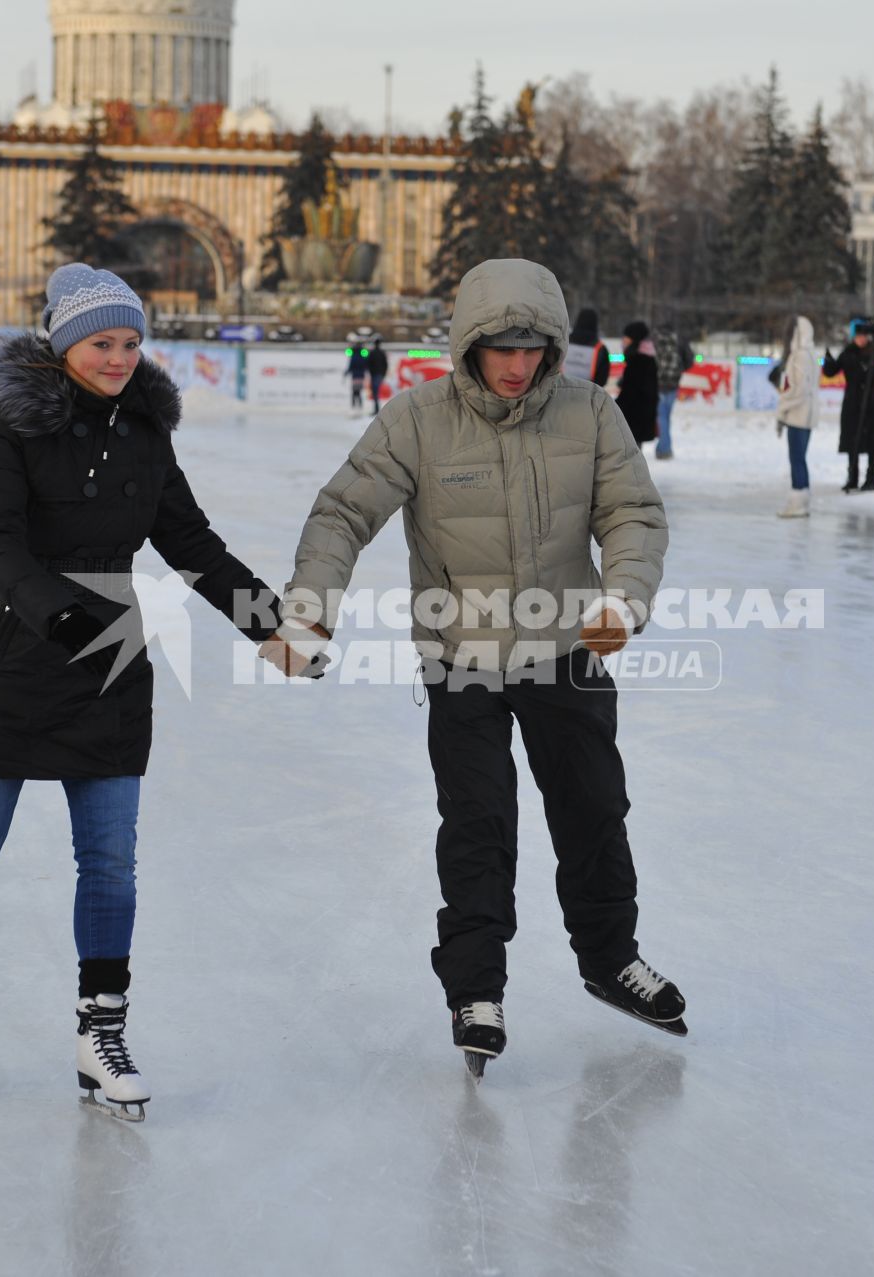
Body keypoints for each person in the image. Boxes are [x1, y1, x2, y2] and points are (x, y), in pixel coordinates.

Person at [0, 264, 281, 1120]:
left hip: (109, 671)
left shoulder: (144, 431)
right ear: (64, 344)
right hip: (9, 663)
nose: (121, 358)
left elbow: (190, 540)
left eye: (132, 343)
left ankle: (101, 1033)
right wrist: (56, 614)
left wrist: (268, 622)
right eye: (104, 343)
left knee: (110, 864)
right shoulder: (10, 424)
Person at [272, 257, 686, 1079]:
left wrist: (624, 600)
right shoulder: (418, 420)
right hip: (462, 659)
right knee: (478, 824)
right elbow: (344, 511)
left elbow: (633, 513)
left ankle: (609, 958)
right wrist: (311, 604)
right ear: (468, 343)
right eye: (499, 347)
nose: (516, 365)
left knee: (594, 810)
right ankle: (475, 988)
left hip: (567, 651)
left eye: (532, 347)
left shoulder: (591, 413)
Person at [824, 319, 874, 494]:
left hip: (871, 403)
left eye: (863, 336)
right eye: (858, 336)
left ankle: (871, 478)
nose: (861, 340)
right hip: (853, 403)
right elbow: (831, 371)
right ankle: (852, 477)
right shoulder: (848, 353)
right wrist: (827, 361)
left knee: (872, 441)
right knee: (853, 440)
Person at [774, 316, 819, 519]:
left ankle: (799, 501)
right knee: (798, 458)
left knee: (797, 459)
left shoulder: (801, 356)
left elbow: (799, 389)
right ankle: (799, 499)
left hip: (799, 416)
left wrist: (783, 408)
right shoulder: (807, 354)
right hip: (802, 415)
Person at [651, 324, 693, 460]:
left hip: (657, 384)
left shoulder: (654, 340)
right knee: (666, 417)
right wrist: (680, 370)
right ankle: (663, 447)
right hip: (673, 384)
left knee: (661, 417)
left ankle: (664, 449)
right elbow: (690, 360)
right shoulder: (679, 340)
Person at [615, 320, 659, 447]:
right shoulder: (647, 358)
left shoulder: (638, 360)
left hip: (634, 417)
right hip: (641, 416)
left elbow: (630, 393)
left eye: (626, 337)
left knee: (631, 455)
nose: (623, 340)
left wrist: (616, 406)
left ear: (634, 339)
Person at [564, 307, 612, 386]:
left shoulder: (565, 342)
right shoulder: (600, 348)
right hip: (588, 394)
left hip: (560, 390)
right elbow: (602, 379)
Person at [345, 333, 368, 414]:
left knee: (354, 391)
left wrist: (346, 373)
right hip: (360, 376)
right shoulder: (363, 356)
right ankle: (360, 406)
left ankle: (354, 405)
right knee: (359, 391)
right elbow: (365, 365)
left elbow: (351, 366)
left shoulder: (353, 356)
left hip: (355, 376)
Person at [366, 338, 390, 413]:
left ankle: (376, 409)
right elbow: (386, 364)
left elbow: (368, 364)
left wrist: (371, 373)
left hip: (374, 375)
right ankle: (378, 409)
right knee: (378, 392)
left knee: (375, 392)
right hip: (380, 375)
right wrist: (383, 374)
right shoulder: (382, 353)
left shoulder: (372, 353)